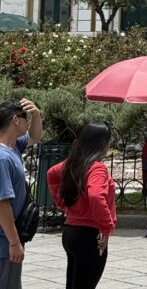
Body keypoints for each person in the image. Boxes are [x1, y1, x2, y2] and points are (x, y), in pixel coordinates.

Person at [47, 122, 115, 289]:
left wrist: (64, 204)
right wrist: (106, 227)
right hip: (89, 236)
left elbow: (51, 174)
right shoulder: (97, 168)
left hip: (71, 232)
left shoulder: (74, 163)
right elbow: (96, 196)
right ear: (102, 143)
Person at [0, 98, 43, 288]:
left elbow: (34, 136)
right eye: (26, 117)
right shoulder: (2, 158)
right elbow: (2, 203)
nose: (28, 121)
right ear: (15, 120)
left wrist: (36, 114)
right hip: (4, 244)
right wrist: (14, 242)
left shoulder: (14, 146)